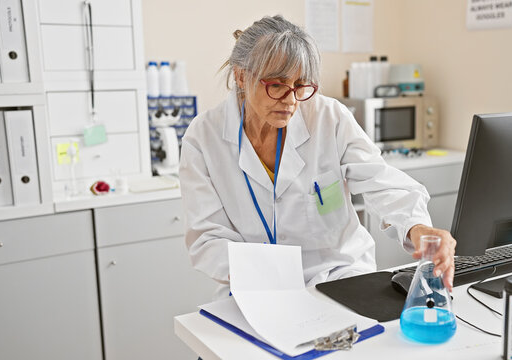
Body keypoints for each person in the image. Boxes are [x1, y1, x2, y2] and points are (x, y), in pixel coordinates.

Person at [179, 15, 456, 299]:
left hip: (338, 275)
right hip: (254, 286)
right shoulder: (203, 139)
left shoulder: (329, 117)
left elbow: (382, 183)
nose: (291, 100)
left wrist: (418, 227)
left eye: (301, 85)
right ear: (241, 75)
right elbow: (206, 238)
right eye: (276, 85)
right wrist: (272, 275)